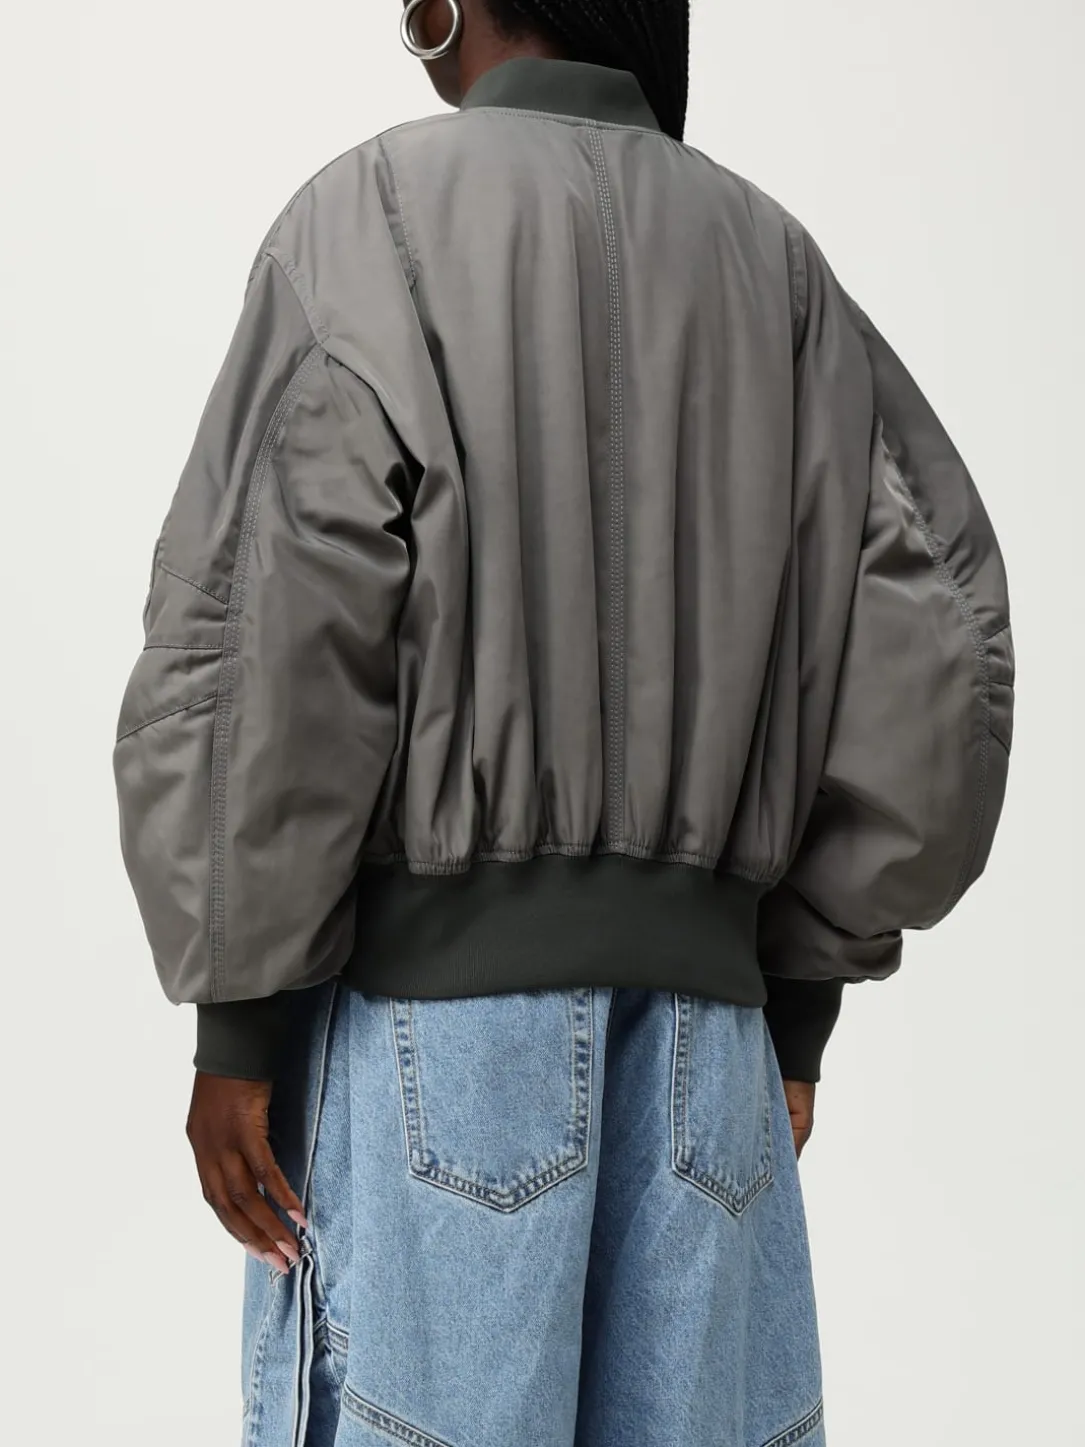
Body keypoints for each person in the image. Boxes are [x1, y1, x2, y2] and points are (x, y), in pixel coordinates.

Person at [113, 2, 1014, 1443]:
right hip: (712, 1057)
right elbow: (937, 640)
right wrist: (797, 997)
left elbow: (271, 636)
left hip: (436, 1046)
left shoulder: (370, 222)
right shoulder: (778, 267)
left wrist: (240, 1014)